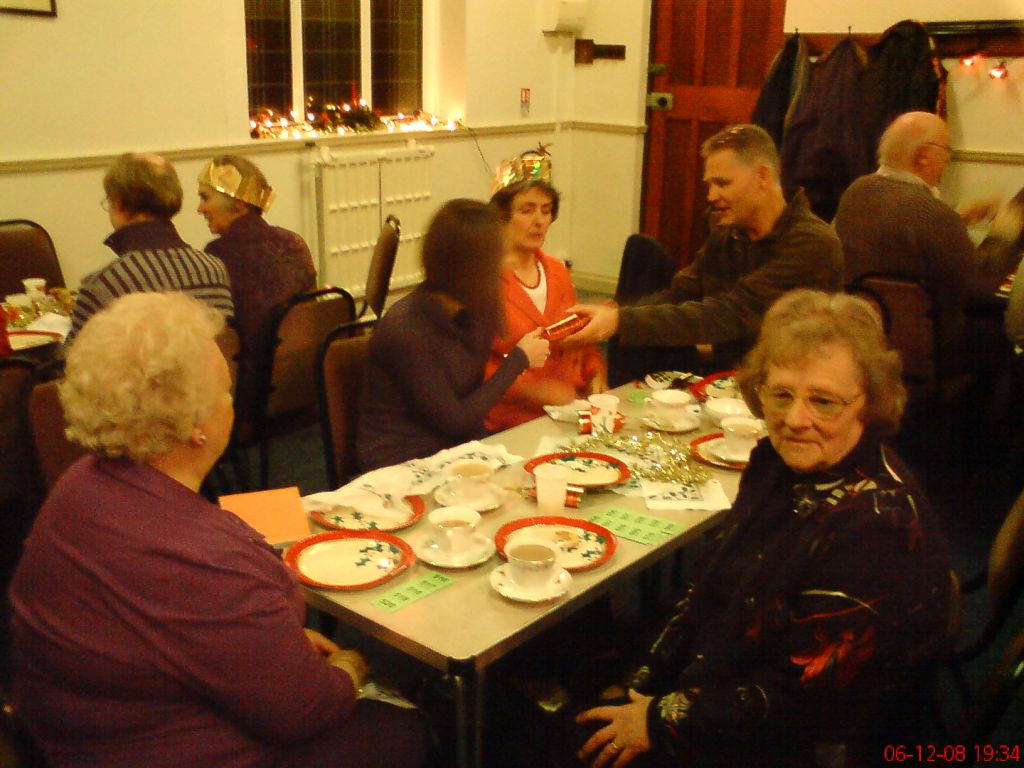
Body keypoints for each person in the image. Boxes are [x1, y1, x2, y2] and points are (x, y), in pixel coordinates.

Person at [8, 292, 428, 768]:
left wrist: (269, 643)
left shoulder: (79, 486)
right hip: (159, 750)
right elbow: (306, 711)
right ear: (196, 427)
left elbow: (164, 628)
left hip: (71, 734)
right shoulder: (201, 558)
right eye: (226, 390)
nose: (233, 398)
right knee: (407, 731)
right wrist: (351, 666)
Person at [568, 290, 952, 768]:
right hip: (734, 680)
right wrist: (643, 682)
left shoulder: (875, 527)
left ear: (868, 405)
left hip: (816, 742)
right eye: (781, 394)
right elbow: (709, 587)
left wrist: (657, 722)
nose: (795, 420)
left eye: (824, 402)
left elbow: (800, 701)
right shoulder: (776, 462)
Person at [566, 124, 843, 370]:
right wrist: (613, 316)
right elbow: (680, 293)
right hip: (727, 381)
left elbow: (731, 312)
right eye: (709, 184)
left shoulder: (811, 244)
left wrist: (620, 322)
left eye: (722, 183)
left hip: (791, 385)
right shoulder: (729, 234)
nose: (711, 196)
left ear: (762, 177)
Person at [357, 199, 549, 471]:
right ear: (472, 267)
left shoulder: (474, 309)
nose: (508, 264)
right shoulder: (407, 330)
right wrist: (517, 361)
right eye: (500, 256)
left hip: (452, 451)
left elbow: (466, 412)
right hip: (400, 465)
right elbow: (455, 420)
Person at [834, 111, 1023, 362]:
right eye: (946, 151)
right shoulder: (932, 214)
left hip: (865, 339)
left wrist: (958, 219)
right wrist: (1004, 233)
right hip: (928, 351)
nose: (947, 160)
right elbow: (977, 284)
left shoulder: (855, 193)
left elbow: (900, 236)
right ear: (923, 156)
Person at [484, 147, 606, 430]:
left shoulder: (557, 271)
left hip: (571, 413)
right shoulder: (486, 280)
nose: (539, 221)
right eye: (527, 210)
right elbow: (475, 368)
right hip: (512, 422)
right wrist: (538, 391)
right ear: (502, 216)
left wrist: (595, 375)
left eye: (546, 210)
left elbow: (582, 339)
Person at [197, 154, 317, 423]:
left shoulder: (217, 256)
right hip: (302, 391)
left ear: (239, 206)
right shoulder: (294, 243)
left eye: (206, 198)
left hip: (248, 406)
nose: (199, 209)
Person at [69, 152, 234, 340]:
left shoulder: (102, 285)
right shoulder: (214, 270)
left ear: (119, 203)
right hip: (211, 370)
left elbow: (73, 364)